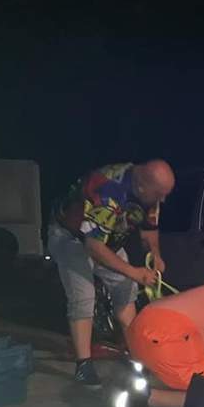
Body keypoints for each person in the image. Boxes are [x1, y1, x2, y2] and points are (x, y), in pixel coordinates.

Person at [48, 160, 175, 387]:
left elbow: (149, 230)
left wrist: (155, 254)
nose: (163, 200)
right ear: (142, 186)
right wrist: (133, 272)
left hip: (107, 241)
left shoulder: (148, 193)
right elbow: (94, 247)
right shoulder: (109, 190)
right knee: (84, 297)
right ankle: (84, 365)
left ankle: (137, 358)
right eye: (159, 194)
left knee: (126, 291)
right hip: (72, 238)